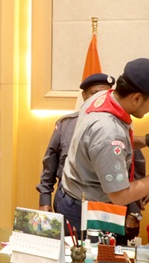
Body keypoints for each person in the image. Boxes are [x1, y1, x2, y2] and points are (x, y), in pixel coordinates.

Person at [58, 58, 149, 233]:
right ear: (137, 98)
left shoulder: (103, 97)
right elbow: (120, 195)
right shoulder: (108, 131)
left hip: (77, 195)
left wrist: (148, 140)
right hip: (84, 210)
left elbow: (100, 147)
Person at [37, 73, 115, 213]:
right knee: (68, 236)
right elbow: (50, 163)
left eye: (106, 93)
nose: (100, 98)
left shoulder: (119, 126)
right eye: (95, 93)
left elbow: (132, 169)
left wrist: (134, 211)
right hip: (68, 200)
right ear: (84, 95)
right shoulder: (66, 124)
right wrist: (45, 198)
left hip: (108, 202)